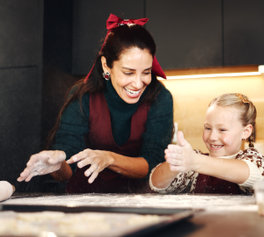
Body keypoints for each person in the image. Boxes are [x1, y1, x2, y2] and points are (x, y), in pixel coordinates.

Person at [17, 14, 173, 193]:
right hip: (86, 199)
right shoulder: (83, 96)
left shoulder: (160, 98)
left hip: (140, 198)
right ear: (106, 65)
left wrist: (110, 158)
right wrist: (57, 164)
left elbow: (153, 164)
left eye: (146, 72)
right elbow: (67, 169)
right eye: (129, 73)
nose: (138, 83)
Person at [150, 93, 264, 194]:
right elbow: (156, 183)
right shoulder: (193, 165)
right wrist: (175, 162)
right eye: (208, 128)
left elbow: (253, 175)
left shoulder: (254, 160)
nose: (212, 137)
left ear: (246, 132)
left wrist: (195, 161)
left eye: (222, 130)